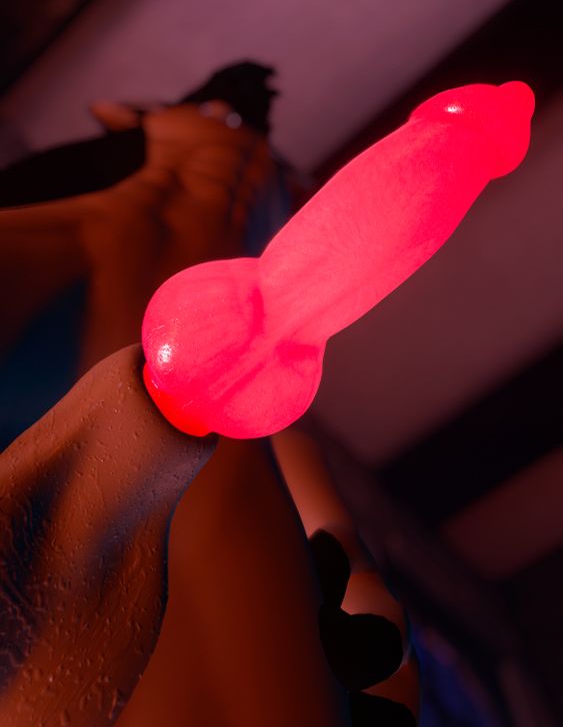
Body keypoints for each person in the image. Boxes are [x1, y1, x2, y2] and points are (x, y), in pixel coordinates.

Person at [0, 61, 417, 724]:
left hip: (206, 353)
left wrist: (353, 561)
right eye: (222, 112)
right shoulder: (156, 130)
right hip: (89, 253)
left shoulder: (274, 187)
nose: (239, 129)